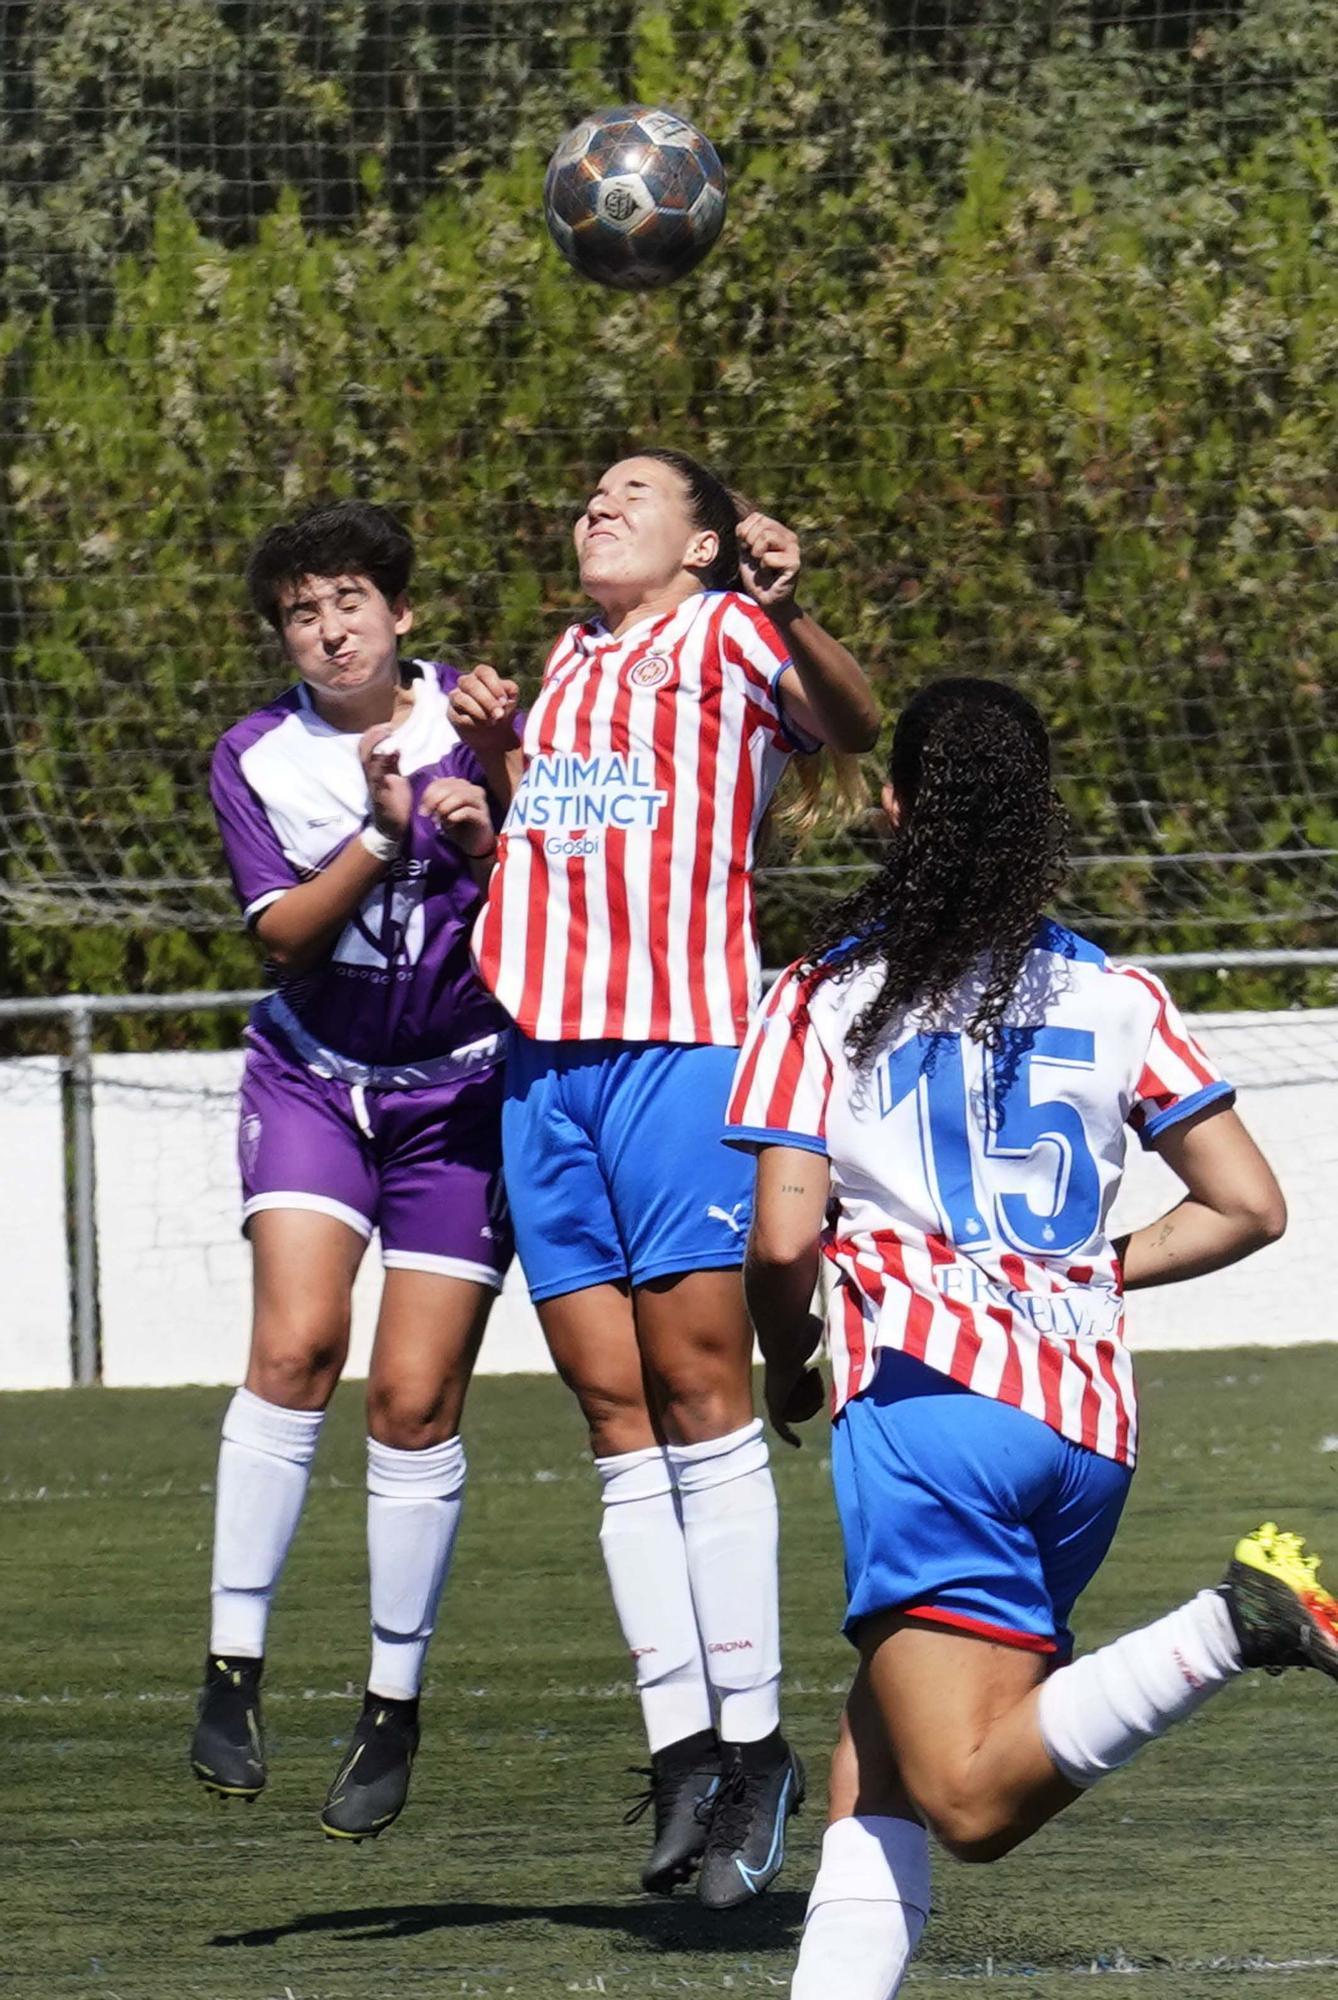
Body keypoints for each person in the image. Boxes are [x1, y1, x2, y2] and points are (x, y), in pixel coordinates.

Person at [725, 674, 1338, 1999]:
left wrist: (789, 1359)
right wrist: (1076, 1269)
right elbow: (1246, 1206)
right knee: (880, 1746)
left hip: (933, 1412)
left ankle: (1230, 1628)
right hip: (1082, 1427)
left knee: (966, 1797)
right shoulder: (1112, 992)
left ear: (893, 809)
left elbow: (779, 1245)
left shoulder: (821, 995)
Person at [449, 448, 879, 1906]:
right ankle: (680, 1748)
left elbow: (851, 721)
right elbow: (561, 842)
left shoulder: (730, 635)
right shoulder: (567, 657)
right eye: (590, 492)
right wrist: (497, 761)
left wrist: (786, 601)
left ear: (699, 547)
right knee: (612, 1414)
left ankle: (755, 1748)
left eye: (634, 495)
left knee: (699, 1392)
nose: (596, 507)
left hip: (677, 1050)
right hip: (541, 1065)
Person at [196, 498, 514, 1842]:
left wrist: (486, 800)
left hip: (464, 1092)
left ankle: (392, 1703)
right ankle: (231, 1670)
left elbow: (535, 881)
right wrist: (386, 832)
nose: (329, 630)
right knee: (297, 1348)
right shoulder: (255, 755)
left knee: (414, 1395)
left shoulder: (480, 714)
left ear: (400, 615)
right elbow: (286, 941)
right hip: (315, 1078)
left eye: (349, 604)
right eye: (301, 613)